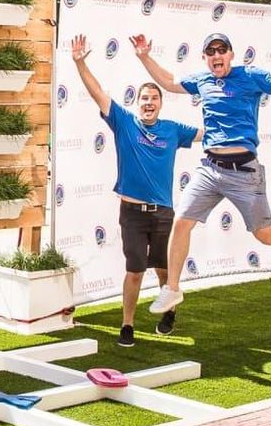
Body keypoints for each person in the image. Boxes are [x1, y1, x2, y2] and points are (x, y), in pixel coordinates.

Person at [129, 32, 271, 315]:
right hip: (209, 169)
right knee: (181, 222)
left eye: (222, 50)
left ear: (231, 54)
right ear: (205, 57)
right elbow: (169, 82)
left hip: (244, 172)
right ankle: (171, 289)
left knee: (265, 234)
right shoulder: (202, 80)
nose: (216, 55)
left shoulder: (250, 75)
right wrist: (144, 56)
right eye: (211, 52)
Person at [71, 34, 202, 347]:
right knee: (134, 271)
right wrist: (79, 62)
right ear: (137, 102)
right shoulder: (125, 123)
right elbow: (98, 93)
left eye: (154, 98)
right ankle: (127, 324)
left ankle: (168, 311)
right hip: (132, 214)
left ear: (160, 103)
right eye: (144, 98)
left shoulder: (173, 129)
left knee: (163, 269)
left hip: (164, 214)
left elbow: (207, 134)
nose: (149, 103)